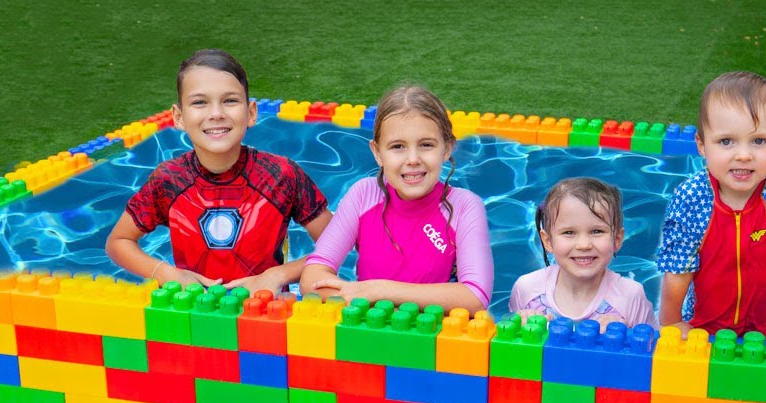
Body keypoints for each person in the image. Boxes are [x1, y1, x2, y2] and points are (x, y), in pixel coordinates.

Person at [106, 49, 332, 293]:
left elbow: (336, 246)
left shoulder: (281, 175)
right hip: (194, 314)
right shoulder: (169, 180)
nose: (216, 114)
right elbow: (119, 242)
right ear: (178, 117)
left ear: (251, 113)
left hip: (267, 316)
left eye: (230, 100)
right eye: (199, 102)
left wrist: (278, 275)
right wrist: (166, 272)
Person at [300, 85, 493, 314]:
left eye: (426, 145)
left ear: (447, 148)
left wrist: (381, 291)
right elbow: (311, 277)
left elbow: (475, 296)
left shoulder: (464, 206)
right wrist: (359, 299)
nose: (413, 159)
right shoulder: (364, 195)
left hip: (433, 340)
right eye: (398, 147)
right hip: (368, 329)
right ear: (378, 153)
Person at [657, 71, 766, 339]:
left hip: (764, 334)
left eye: (758, 141)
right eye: (726, 141)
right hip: (701, 331)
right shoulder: (692, 197)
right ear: (701, 145)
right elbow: (677, 270)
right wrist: (671, 323)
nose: (743, 155)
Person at [509, 178, 655, 327]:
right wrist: (521, 326)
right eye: (569, 232)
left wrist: (625, 336)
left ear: (617, 239)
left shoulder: (630, 297)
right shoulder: (527, 290)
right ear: (548, 241)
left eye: (597, 231)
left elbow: (654, 347)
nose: (584, 245)